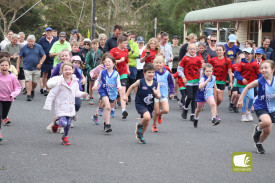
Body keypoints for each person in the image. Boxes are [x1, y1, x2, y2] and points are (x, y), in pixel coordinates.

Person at [44, 62, 88, 145]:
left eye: (69, 69)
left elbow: (76, 93)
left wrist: (83, 94)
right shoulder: (59, 82)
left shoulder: (75, 81)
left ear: (73, 70)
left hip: (70, 106)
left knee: (68, 125)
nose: (68, 71)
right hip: (61, 106)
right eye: (65, 70)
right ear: (61, 71)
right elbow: (51, 94)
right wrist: (48, 106)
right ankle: (56, 124)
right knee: (63, 123)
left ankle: (64, 137)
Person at [237, 60, 275, 154]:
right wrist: (240, 99)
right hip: (260, 106)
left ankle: (258, 143)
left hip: (272, 108)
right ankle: (257, 129)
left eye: (266, 68)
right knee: (266, 121)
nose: (263, 70)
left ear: (272, 70)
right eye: (262, 68)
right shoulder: (260, 81)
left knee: (267, 131)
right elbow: (247, 87)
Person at [46, 48, 83, 133]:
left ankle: (73, 113)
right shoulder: (59, 66)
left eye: (66, 55)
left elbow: (78, 77)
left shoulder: (73, 67)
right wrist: (52, 88)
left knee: (77, 104)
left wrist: (79, 86)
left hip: (72, 89)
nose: (64, 57)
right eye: (62, 56)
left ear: (70, 57)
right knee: (61, 109)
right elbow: (52, 77)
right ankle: (59, 126)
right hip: (61, 90)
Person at [123, 63, 161, 144]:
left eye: (153, 72)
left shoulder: (156, 84)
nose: (151, 74)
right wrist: (126, 95)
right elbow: (131, 86)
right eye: (149, 72)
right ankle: (139, 126)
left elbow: (159, 96)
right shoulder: (140, 81)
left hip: (150, 105)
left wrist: (157, 94)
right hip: (140, 104)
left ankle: (140, 135)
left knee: (147, 122)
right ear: (144, 73)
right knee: (147, 117)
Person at [92, 55, 121, 132]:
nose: (107, 63)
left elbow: (118, 82)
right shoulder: (102, 72)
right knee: (107, 107)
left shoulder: (116, 74)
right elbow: (98, 80)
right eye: (106, 61)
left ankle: (95, 115)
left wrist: (119, 87)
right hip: (103, 91)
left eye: (109, 61)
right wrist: (95, 86)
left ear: (114, 64)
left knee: (105, 106)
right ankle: (107, 125)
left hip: (112, 92)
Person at [235, 47, 262, 122]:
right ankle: (243, 115)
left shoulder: (255, 64)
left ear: (252, 55)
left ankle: (248, 111)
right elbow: (236, 73)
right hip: (241, 84)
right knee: (243, 99)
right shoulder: (241, 63)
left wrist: (261, 81)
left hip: (251, 84)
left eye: (248, 53)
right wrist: (242, 79)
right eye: (245, 53)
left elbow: (259, 74)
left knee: (251, 98)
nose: (246, 55)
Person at [17, 35, 46, 101]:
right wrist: (18, 67)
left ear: (34, 41)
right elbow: (19, 58)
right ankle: (29, 95)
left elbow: (44, 56)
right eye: (29, 41)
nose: (30, 43)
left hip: (36, 68)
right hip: (27, 67)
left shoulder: (38, 47)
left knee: (35, 82)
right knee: (28, 81)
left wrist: (40, 63)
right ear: (27, 41)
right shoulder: (23, 48)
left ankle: (32, 90)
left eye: (32, 42)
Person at [178, 43, 202, 121]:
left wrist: (201, 77)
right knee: (190, 96)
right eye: (191, 49)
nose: (192, 50)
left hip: (196, 80)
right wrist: (183, 77)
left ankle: (192, 114)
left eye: (194, 49)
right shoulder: (185, 58)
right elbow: (180, 69)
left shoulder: (198, 59)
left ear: (196, 50)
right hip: (188, 80)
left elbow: (200, 69)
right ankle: (185, 108)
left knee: (195, 98)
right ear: (188, 50)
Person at [209, 45, 233, 122]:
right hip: (214, 81)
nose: (218, 52)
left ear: (224, 51)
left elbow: (230, 72)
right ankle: (215, 114)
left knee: (220, 99)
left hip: (222, 81)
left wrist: (231, 82)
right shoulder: (213, 60)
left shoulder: (227, 60)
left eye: (220, 50)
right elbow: (209, 69)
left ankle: (214, 108)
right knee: (215, 99)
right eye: (217, 50)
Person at [151, 55, 174, 132]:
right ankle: (154, 124)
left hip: (164, 94)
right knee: (156, 112)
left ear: (163, 63)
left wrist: (171, 92)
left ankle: (160, 114)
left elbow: (171, 84)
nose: (158, 64)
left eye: (160, 62)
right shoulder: (153, 74)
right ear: (154, 64)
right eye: (156, 63)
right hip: (156, 96)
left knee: (166, 110)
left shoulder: (167, 73)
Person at [0, 57, 21, 141]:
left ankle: (2, 119)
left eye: (6, 65)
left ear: (9, 66)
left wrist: (13, 94)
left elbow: (18, 88)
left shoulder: (12, 77)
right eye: (2, 65)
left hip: (8, 99)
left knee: (3, 116)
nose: (4, 67)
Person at [109, 35, 129, 119]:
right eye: (125, 43)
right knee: (114, 92)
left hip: (123, 73)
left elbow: (127, 61)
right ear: (120, 43)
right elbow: (109, 61)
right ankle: (112, 109)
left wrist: (128, 69)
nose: (126, 45)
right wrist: (118, 61)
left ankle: (123, 110)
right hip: (114, 73)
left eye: (126, 43)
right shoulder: (113, 50)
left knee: (122, 91)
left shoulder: (126, 51)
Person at [194, 63, 219, 128]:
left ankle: (213, 119)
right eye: (207, 71)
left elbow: (214, 82)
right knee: (199, 109)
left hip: (209, 94)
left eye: (210, 71)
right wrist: (207, 80)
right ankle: (196, 118)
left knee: (213, 104)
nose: (209, 73)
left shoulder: (213, 77)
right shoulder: (202, 78)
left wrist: (216, 88)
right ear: (204, 71)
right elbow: (200, 87)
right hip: (202, 95)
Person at [38, 27, 59, 96]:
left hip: (54, 60)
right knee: (44, 74)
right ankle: (44, 88)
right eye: (48, 32)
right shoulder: (41, 40)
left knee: (53, 74)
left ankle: (51, 88)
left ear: (52, 32)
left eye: (50, 31)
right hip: (45, 60)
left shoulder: (56, 40)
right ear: (45, 33)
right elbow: (39, 50)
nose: (49, 33)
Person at [85, 39, 103, 105]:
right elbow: (86, 63)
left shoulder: (100, 52)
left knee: (99, 85)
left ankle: (100, 98)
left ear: (98, 45)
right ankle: (91, 97)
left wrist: (99, 71)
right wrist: (91, 70)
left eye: (96, 44)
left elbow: (102, 62)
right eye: (93, 44)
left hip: (99, 71)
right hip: (91, 71)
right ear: (91, 45)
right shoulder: (89, 53)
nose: (94, 46)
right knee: (91, 85)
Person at [125, 32, 139, 102]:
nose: (127, 37)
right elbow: (124, 54)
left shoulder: (135, 44)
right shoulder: (124, 43)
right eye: (126, 36)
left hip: (133, 65)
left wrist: (128, 54)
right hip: (125, 64)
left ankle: (129, 93)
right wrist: (131, 52)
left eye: (128, 36)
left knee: (132, 81)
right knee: (126, 81)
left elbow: (136, 54)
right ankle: (127, 95)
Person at [171, 35, 180, 101]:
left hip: (177, 66)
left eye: (177, 39)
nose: (176, 40)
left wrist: (174, 56)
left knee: (176, 81)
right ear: (172, 40)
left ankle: (175, 94)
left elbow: (180, 56)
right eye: (174, 39)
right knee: (170, 80)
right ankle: (170, 93)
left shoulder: (179, 48)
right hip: (171, 66)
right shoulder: (170, 47)